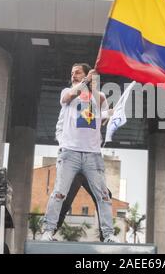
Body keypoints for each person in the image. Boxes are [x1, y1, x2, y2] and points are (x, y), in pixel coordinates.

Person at [41, 63, 118, 243]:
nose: (73, 75)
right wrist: (85, 81)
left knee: (104, 196)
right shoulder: (67, 92)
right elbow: (70, 95)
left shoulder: (99, 97)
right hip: (70, 153)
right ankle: (48, 231)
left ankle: (108, 236)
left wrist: (115, 113)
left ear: (86, 74)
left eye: (78, 72)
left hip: (93, 155)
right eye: (72, 73)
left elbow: (104, 118)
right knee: (59, 193)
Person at [56, 172, 112, 242]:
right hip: (75, 170)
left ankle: (105, 235)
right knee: (65, 200)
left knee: (106, 195)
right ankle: (50, 231)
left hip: (87, 170)